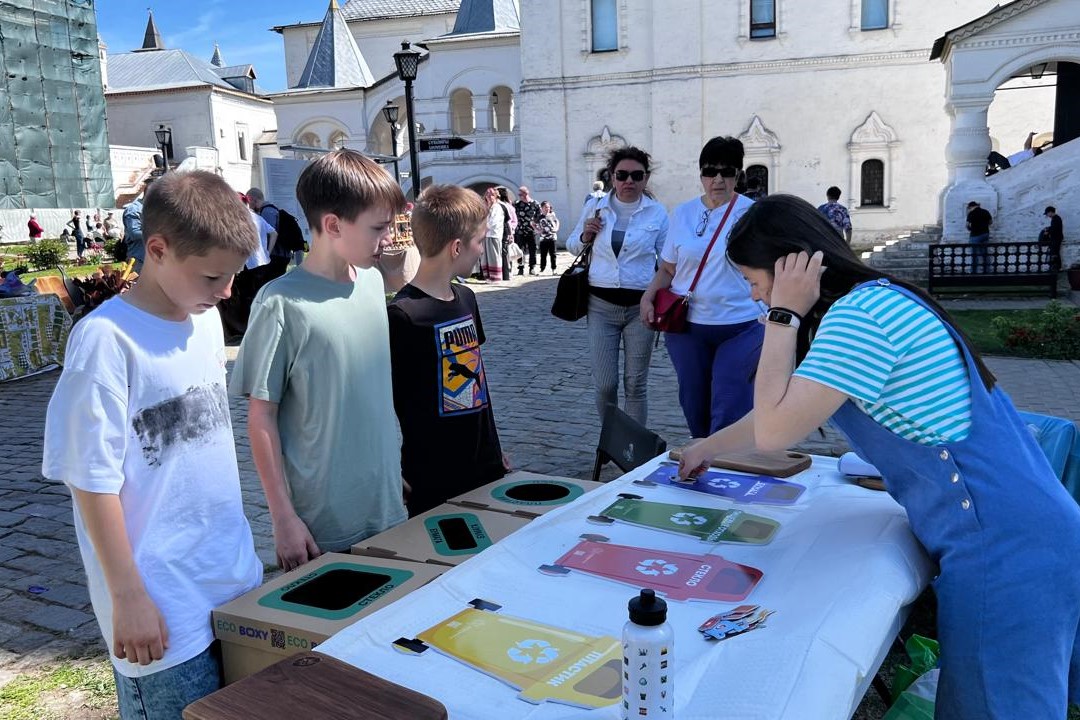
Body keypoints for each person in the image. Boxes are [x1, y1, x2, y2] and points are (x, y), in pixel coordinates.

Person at [679, 192, 1080, 720]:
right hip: (1012, 533)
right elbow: (787, 410)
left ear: (790, 268)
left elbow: (776, 430)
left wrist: (783, 317)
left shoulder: (863, 315)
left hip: (1005, 542)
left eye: (755, 284)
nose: (755, 299)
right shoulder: (870, 304)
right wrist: (708, 446)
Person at [41, 170, 263, 719]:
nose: (227, 292)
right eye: (214, 276)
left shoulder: (204, 322)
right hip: (162, 604)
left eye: (233, 276)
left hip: (231, 578)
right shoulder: (104, 342)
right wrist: (129, 597)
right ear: (157, 250)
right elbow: (91, 481)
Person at [230, 149, 408, 571]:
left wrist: (387, 469)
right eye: (378, 228)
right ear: (333, 225)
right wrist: (283, 517)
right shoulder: (280, 302)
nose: (388, 239)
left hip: (385, 503)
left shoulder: (370, 283)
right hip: (321, 521)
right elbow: (261, 418)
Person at [388, 185, 510, 516]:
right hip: (432, 475)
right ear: (457, 247)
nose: (482, 250)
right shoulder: (403, 316)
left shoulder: (467, 299)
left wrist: (494, 449)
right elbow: (382, 401)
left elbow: (477, 383)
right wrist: (387, 467)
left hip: (484, 464)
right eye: (479, 241)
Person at [641, 136, 763, 438]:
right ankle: (703, 457)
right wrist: (648, 296)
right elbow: (669, 267)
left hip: (742, 323)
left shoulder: (753, 214)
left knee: (731, 397)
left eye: (727, 171)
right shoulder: (682, 213)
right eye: (710, 171)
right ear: (701, 175)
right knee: (694, 400)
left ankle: (726, 463)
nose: (718, 179)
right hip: (687, 327)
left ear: (738, 175)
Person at [568, 146, 668, 425]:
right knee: (605, 384)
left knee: (636, 385)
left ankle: (634, 452)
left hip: (641, 308)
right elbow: (573, 243)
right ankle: (611, 439)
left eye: (637, 175)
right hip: (600, 306)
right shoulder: (595, 206)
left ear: (646, 179)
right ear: (612, 176)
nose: (629, 182)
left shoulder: (657, 213)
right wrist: (587, 233)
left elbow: (668, 261)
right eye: (622, 174)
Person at [218, 194, 277, 339]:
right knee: (259, 297)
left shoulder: (238, 219)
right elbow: (274, 233)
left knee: (242, 298)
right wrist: (267, 251)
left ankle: (243, 330)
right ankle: (260, 329)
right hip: (262, 262)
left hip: (247, 264)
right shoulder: (257, 217)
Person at [514, 186, 542, 276]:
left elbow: (540, 215)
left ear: (526, 194)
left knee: (532, 249)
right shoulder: (517, 204)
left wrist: (535, 223)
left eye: (520, 194)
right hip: (520, 231)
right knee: (520, 250)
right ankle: (520, 268)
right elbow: (512, 215)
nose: (519, 196)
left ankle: (532, 267)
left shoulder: (535, 204)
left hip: (531, 231)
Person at [123, 183, 149, 272]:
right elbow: (134, 233)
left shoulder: (155, 210)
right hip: (139, 259)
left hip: (154, 259)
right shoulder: (134, 210)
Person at [480, 188, 504, 281]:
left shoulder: (497, 207)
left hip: (493, 235)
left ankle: (495, 277)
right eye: (488, 195)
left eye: (492, 195)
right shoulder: (487, 207)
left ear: (496, 196)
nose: (489, 197)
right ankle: (488, 276)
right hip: (485, 235)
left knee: (494, 256)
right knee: (485, 257)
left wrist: (485, 228)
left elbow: (494, 221)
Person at [495, 186, 517, 281]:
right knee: (505, 252)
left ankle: (508, 271)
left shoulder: (506, 206)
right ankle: (506, 271)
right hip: (504, 231)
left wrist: (511, 231)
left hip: (507, 231)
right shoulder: (505, 205)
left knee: (506, 252)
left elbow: (513, 220)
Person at [966, 201, 993, 273]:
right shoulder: (985, 211)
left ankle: (974, 271)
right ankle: (987, 271)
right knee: (985, 253)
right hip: (985, 234)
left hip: (975, 235)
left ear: (971, 207)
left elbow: (967, 225)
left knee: (974, 254)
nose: (969, 209)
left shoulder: (971, 213)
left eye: (969, 208)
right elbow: (990, 222)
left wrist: (970, 229)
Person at [538, 201, 560, 274]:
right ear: (542, 208)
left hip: (552, 238)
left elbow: (557, 221)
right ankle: (542, 269)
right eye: (545, 207)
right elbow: (532, 223)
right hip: (543, 239)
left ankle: (554, 269)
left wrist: (556, 228)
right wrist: (538, 230)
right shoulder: (539, 217)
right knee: (543, 255)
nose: (547, 208)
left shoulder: (552, 215)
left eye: (548, 207)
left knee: (553, 254)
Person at [1042, 205, 1064, 271]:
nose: (1047, 215)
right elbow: (1054, 227)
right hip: (1057, 238)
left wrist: (1047, 231)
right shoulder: (1056, 218)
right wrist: (1048, 228)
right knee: (1055, 252)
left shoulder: (1056, 219)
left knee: (1055, 253)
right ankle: (1058, 267)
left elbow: (1055, 229)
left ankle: (1057, 267)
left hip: (1056, 238)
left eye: (1047, 213)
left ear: (1051, 212)